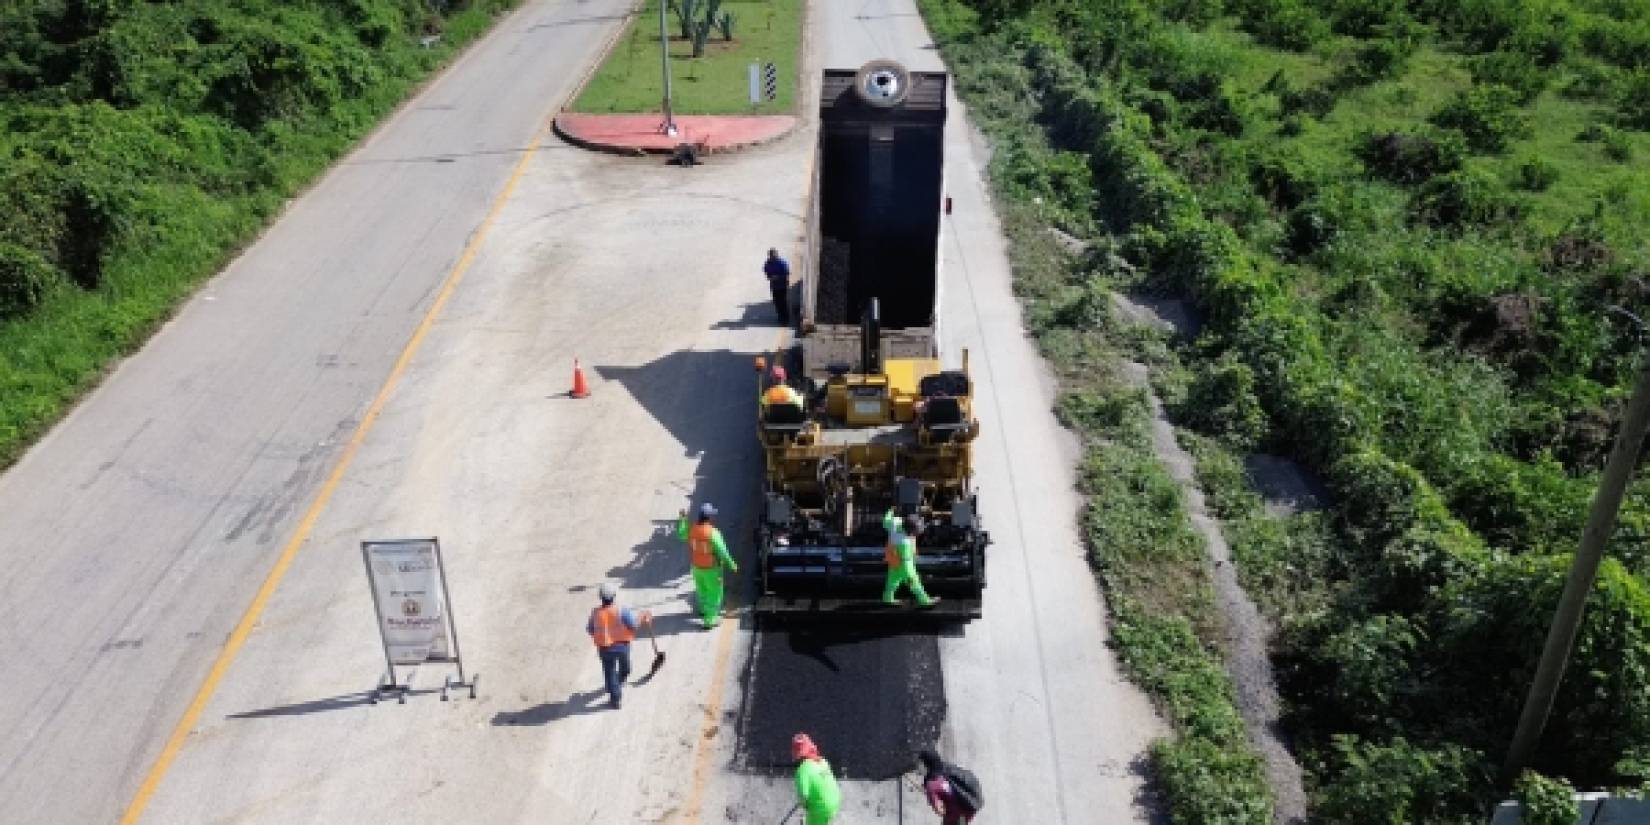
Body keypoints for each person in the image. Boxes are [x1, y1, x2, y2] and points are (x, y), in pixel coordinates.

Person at [586, 583, 652, 709]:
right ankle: (619, 681)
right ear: (614, 596)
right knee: (625, 668)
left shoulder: (595, 613)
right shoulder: (622, 610)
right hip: (622, 647)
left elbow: (590, 629)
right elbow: (633, 625)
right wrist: (642, 617)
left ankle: (615, 698)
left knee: (609, 672)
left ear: (601, 597)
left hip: (605, 649)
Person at [676, 502, 739, 627]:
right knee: (714, 594)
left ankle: (703, 611)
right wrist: (732, 564)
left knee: (702, 590)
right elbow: (722, 551)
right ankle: (709, 620)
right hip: (711, 569)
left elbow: (682, 534)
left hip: (696, 568)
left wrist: (683, 519)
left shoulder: (692, 529)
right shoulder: (713, 533)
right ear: (709, 518)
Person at [883, 508, 937, 607]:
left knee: (893, 579)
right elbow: (908, 555)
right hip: (904, 561)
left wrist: (890, 511)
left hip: (892, 558)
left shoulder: (894, 522)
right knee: (913, 580)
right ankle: (924, 600)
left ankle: (887, 598)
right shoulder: (905, 538)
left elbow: (885, 521)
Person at [917, 749, 982, 824]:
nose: (919, 767)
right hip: (969, 807)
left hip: (956, 815)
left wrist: (931, 798)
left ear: (926, 764)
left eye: (921, 763)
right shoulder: (947, 767)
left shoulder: (931, 785)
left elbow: (940, 811)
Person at [792, 733, 842, 825]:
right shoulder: (823, 762)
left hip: (820, 808)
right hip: (835, 802)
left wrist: (804, 805)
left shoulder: (802, 770)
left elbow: (803, 795)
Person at [764, 248, 791, 325]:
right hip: (774, 286)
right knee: (776, 302)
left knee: (783, 302)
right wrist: (770, 277)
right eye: (771, 255)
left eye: (774, 255)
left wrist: (778, 277)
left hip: (782, 285)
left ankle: (785, 319)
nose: (773, 257)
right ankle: (780, 316)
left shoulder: (782, 263)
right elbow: (766, 272)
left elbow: (786, 273)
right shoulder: (768, 263)